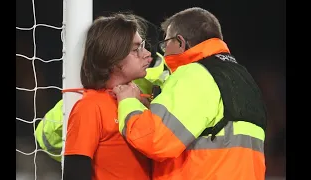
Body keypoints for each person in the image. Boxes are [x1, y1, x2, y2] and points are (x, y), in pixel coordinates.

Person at [113, 7, 267, 180]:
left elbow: (155, 140)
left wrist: (129, 103)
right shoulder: (242, 78)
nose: (164, 51)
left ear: (180, 42)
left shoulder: (194, 75)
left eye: (166, 43)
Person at [62, 13, 157, 180]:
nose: (147, 54)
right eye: (136, 49)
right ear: (113, 59)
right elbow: (74, 172)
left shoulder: (140, 101)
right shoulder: (91, 106)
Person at [34, 52, 168, 163]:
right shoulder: (91, 102)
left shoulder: (170, 86)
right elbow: (48, 142)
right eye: (136, 48)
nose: (145, 53)